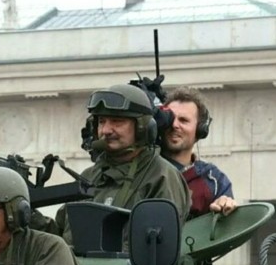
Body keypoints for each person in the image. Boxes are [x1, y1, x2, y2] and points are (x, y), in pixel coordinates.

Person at [63, 84, 189, 241]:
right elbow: (61, 236)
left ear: (143, 128)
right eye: (102, 121)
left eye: (117, 121)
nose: (106, 130)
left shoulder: (162, 176)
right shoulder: (90, 176)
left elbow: (156, 247)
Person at [163, 87, 237, 217]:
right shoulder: (147, 169)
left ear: (200, 130)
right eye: (170, 118)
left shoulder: (213, 179)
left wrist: (224, 205)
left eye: (183, 120)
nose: (174, 125)